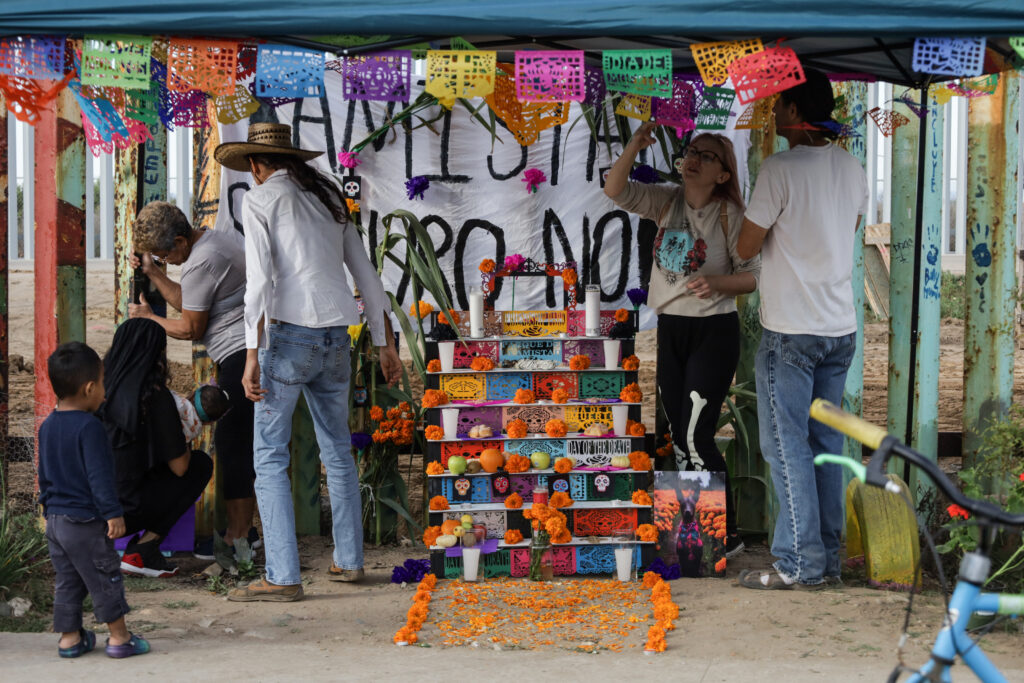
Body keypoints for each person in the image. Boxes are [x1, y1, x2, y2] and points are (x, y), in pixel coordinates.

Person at [213, 122, 402, 602]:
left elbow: (259, 283)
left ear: (256, 164)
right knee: (337, 449)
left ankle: (282, 576)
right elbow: (366, 275)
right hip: (337, 337)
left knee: (269, 456)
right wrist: (385, 343)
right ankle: (349, 561)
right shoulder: (329, 197)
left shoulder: (260, 199)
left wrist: (251, 353)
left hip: (289, 338)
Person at [735, 68, 868, 590]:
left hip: (792, 330)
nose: (773, 114)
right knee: (825, 444)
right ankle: (826, 560)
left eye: (777, 105)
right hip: (839, 329)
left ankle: (798, 564)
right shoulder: (851, 167)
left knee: (786, 445)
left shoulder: (779, 169)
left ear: (793, 111)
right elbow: (849, 229)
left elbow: (746, 247)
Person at [605, 122, 760, 557]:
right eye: (691, 151)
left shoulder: (730, 215)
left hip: (713, 330)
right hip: (671, 327)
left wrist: (718, 283)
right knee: (677, 436)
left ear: (723, 174)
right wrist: (635, 145)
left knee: (696, 436)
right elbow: (614, 189)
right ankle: (694, 538)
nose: (693, 160)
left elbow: (753, 277)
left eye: (707, 156)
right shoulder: (666, 201)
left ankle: (725, 535)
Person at [129, 201, 257, 556]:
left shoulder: (202, 261)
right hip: (242, 350)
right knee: (239, 441)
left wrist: (148, 318)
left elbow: (189, 327)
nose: (165, 261)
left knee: (233, 444)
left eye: (164, 255)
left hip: (241, 353)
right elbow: (191, 301)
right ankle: (243, 532)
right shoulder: (210, 243)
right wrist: (154, 273)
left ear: (181, 241)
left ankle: (239, 537)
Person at [38, 342, 150, 658]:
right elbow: (99, 476)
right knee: (105, 577)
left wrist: (48, 509)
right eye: (102, 382)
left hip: (56, 521)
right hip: (84, 522)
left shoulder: (47, 426)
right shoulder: (90, 428)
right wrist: (113, 513)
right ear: (89, 388)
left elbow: (43, 474)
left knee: (67, 580)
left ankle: (70, 639)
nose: (104, 390)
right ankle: (120, 639)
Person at [97, 318, 213, 578]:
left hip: (85, 511)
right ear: (158, 355)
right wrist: (182, 432)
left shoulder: (96, 389)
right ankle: (144, 549)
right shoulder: (155, 396)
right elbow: (180, 467)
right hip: (125, 514)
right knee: (199, 464)